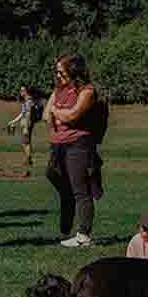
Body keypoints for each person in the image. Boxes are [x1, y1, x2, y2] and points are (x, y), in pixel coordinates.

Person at [44, 55, 102, 248]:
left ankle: (84, 236)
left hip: (79, 145)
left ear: (74, 71)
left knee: (81, 189)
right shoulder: (59, 89)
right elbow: (46, 114)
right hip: (58, 145)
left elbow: (73, 115)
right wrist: (57, 115)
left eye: (61, 71)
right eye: (57, 72)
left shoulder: (87, 91)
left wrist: (57, 113)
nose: (58, 75)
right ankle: (67, 198)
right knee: (52, 174)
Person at [6, 86, 43, 172]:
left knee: (25, 142)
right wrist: (13, 121)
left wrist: (26, 126)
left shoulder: (29, 101)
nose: (20, 91)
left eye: (22, 90)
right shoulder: (26, 101)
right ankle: (28, 159)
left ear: (26, 92)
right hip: (26, 122)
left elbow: (28, 114)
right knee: (25, 142)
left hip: (27, 123)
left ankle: (28, 159)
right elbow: (22, 113)